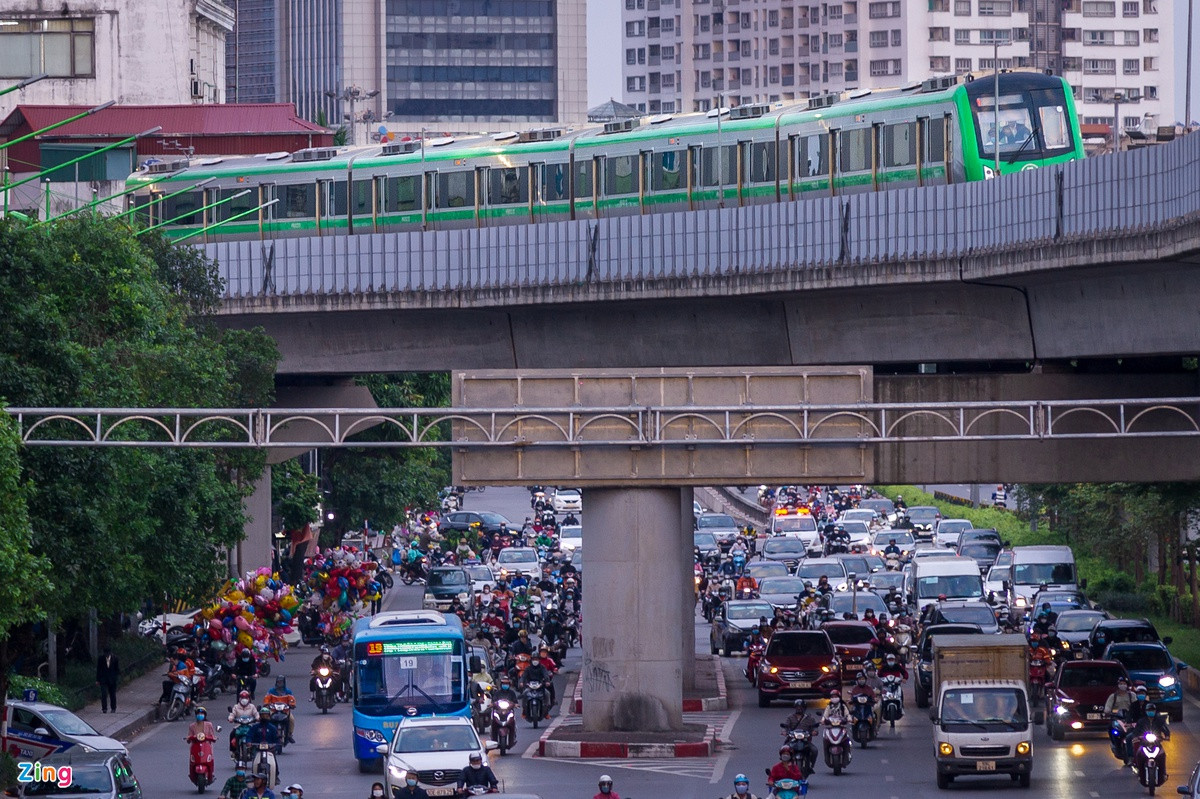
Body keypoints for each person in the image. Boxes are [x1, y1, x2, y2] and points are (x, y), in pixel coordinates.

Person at [519, 654, 554, 720]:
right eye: (534, 659)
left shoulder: (542, 667)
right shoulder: (528, 668)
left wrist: (547, 681)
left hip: (540, 686)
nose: (535, 661)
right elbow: (523, 676)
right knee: (524, 694)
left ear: (539, 660)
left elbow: (546, 675)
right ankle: (524, 711)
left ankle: (546, 712)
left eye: (536, 659)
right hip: (530, 686)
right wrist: (521, 682)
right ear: (531, 660)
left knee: (547, 694)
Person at [263, 676, 296, 744]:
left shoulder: (288, 691)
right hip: (273, 710)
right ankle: (267, 732)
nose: (279, 683)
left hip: (285, 711)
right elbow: (266, 699)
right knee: (267, 719)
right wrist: (266, 704)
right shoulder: (271, 691)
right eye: (278, 682)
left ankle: (289, 734)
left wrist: (292, 704)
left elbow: (292, 700)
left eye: (281, 682)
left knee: (291, 719)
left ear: (284, 682)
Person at [95, 645, 120, 713]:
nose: (107, 655)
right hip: (103, 679)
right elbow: (98, 669)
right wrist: (97, 679)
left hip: (112, 679)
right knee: (104, 694)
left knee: (112, 694)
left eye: (108, 654)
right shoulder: (101, 659)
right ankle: (104, 708)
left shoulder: (115, 658)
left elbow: (117, 669)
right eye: (106, 654)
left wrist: (115, 677)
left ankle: (113, 707)